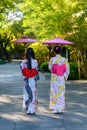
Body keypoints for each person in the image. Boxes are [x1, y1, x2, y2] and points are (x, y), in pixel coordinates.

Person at [48, 46, 70, 114]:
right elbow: (67, 69)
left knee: (54, 92)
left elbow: (49, 68)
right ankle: (60, 108)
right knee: (61, 92)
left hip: (54, 78)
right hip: (61, 78)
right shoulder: (64, 59)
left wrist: (55, 68)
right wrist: (65, 76)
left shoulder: (52, 59)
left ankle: (55, 108)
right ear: (60, 51)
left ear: (54, 52)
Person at [20, 48, 39, 115]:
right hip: (33, 81)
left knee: (27, 94)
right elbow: (36, 72)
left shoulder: (23, 62)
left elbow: (22, 72)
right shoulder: (35, 61)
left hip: (26, 81)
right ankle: (32, 109)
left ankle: (28, 109)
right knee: (33, 94)